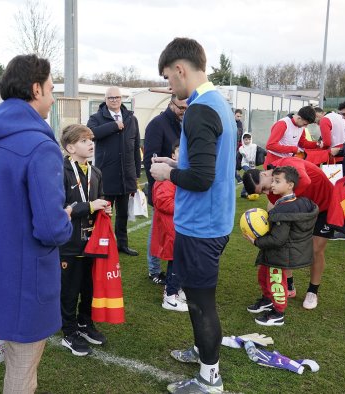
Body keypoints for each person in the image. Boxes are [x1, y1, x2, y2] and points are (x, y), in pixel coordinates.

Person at [0, 54, 72, 393]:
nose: (52, 99)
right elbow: (50, 228)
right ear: (35, 89)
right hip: (27, 282)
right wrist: (65, 218)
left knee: (17, 369)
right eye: (51, 90)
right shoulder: (40, 145)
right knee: (22, 375)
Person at [151, 37, 236, 394]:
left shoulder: (200, 110)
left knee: (201, 305)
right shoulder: (217, 102)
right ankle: (204, 352)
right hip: (211, 221)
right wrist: (176, 162)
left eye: (169, 78)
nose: (170, 85)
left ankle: (209, 378)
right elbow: (206, 165)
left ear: (180, 69)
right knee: (197, 301)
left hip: (201, 226)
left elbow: (201, 179)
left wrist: (167, 173)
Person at [242, 156, 334, 310]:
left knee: (316, 249)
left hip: (325, 205)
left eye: (264, 188)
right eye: (262, 192)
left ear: (265, 174)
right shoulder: (272, 187)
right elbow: (273, 208)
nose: (267, 192)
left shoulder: (287, 164)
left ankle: (312, 291)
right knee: (283, 242)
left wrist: (286, 208)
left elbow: (305, 181)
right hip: (300, 210)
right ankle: (289, 286)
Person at [58, 124, 111, 357]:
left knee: (89, 288)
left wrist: (104, 209)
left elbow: (99, 199)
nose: (90, 144)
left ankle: (84, 322)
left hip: (91, 243)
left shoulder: (95, 172)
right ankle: (68, 332)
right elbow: (59, 209)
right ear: (70, 147)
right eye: (83, 141)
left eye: (91, 140)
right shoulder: (60, 171)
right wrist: (88, 206)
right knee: (69, 291)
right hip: (69, 244)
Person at [244, 166, 318, 326]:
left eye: (277, 182)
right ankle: (267, 300)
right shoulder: (289, 204)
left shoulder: (284, 210)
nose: (272, 185)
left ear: (290, 185)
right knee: (263, 276)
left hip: (279, 254)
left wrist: (256, 241)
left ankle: (278, 313)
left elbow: (278, 239)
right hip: (273, 254)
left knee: (276, 282)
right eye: (273, 180)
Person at [87, 86, 142, 256]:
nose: (114, 100)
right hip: (106, 176)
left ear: (121, 98)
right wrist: (113, 126)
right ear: (105, 99)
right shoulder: (96, 118)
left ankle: (122, 245)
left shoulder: (131, 119)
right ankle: (102, 245)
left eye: (117, 97)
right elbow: (90, 134)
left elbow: (135, 147)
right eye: (110, 98)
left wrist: (136, 175)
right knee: (103, 214)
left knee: (123, 214)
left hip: (126, 176)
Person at [143, 94, 187, 284]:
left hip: (177, 184)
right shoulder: (157, 124)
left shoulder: (182, 123)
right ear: (171, 104)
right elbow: (149, 159)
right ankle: (154, 270)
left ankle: (172, 265)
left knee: (170, 231)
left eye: (186, 108)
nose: (183, 112)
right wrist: (157, 188)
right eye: (181, 108)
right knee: (157, 230)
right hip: (161, 187)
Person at [152, 140, 187, 312]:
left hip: (178, 225)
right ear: (172, 156)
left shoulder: (180, 174)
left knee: (181, 260)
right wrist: (186, 208)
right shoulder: (167, 176)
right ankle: (170, 296)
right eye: (180, 151)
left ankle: (177, 289)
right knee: (176, 261)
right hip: (171, 227)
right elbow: (162, 201)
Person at [238, 132, 257, 198]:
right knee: (249, 176)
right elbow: (244, 155)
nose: (247, 141)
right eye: (245, 139)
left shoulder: (254, 146)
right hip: (245, 164)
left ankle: (244, 193)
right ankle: (245, 193)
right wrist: (248, 158)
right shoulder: (241, 148)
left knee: (251, 178)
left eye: (249, 139)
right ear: (243, 140)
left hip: (252, 163)